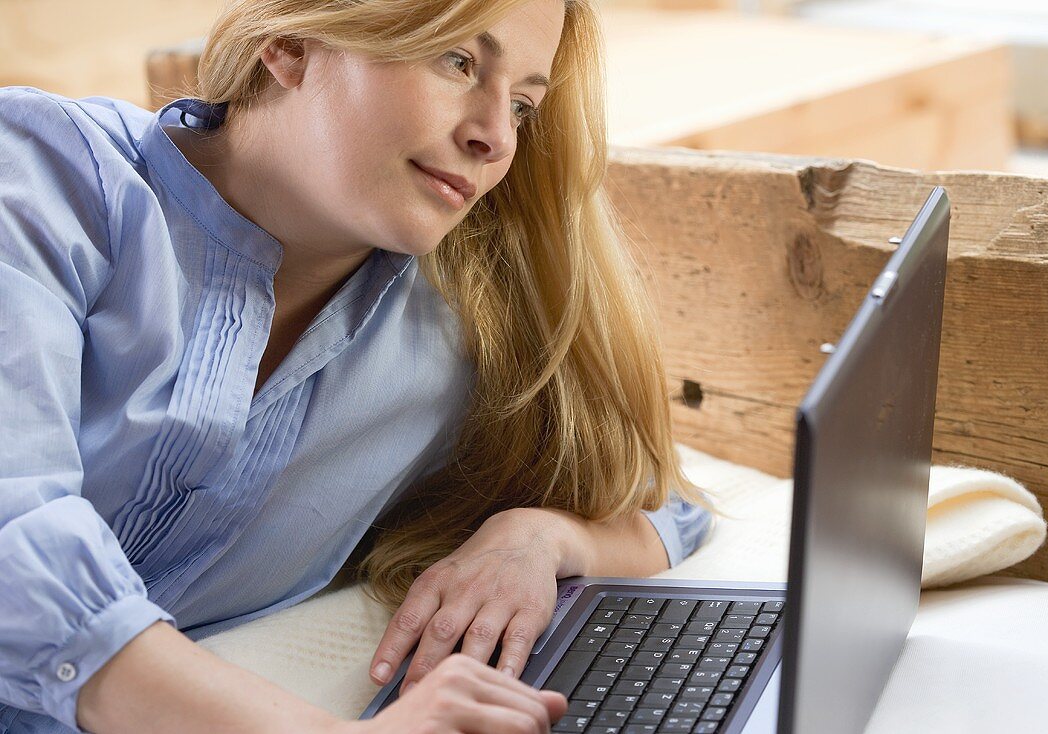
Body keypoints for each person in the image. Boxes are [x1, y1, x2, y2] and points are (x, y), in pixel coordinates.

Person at [0, 0, 713, 731]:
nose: (495, 137)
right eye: (459, 61)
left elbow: (660, 497)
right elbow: (15, 534)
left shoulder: (454, 342)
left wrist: (540, 537)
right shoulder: (41, 171)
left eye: (525, 105)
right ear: (291, 43)